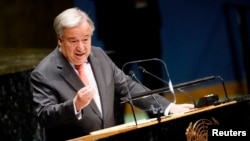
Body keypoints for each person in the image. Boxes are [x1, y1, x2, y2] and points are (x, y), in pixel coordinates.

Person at [30, 7, 194, 141]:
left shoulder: (99, 55)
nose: (81, 47)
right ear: (60, 39)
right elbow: (45, 116)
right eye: (73, 41)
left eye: (86, 39)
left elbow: (129, 87)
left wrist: (168, 107)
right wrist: (75, 105)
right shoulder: (44, 73)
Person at [93, 0, 163, 90]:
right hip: (115, 25)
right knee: (116, 80)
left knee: (152, 75)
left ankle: (158, 104)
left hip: (146, 24)